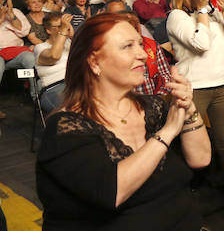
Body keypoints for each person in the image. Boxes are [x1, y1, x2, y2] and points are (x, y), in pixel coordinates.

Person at [36, 13, 211, 230]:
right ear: (94, 62)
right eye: (127, 46)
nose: (142, 55)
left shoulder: (153, 107)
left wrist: (188, 105)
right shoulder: (65, 128)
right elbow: (111, 191)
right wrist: (167, 132)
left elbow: (201, 159)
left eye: (139, 44)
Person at [167, 0, 224, 200]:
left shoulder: (210, 14)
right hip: (194, 88)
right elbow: (200, 44)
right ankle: (194, 192)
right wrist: (202, 10)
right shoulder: (177, 16)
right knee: (194, 144)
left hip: (221, 84)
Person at [34, 12, 74, 112]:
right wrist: (63, 30)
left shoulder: (71, 43)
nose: (64, 27)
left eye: (64, 25)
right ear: (48, 30)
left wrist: (73, 36)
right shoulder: (40, 47)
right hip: (55, 88)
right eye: (59, 26)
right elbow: (54, 56)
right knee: (71, 115)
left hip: (76, 84)